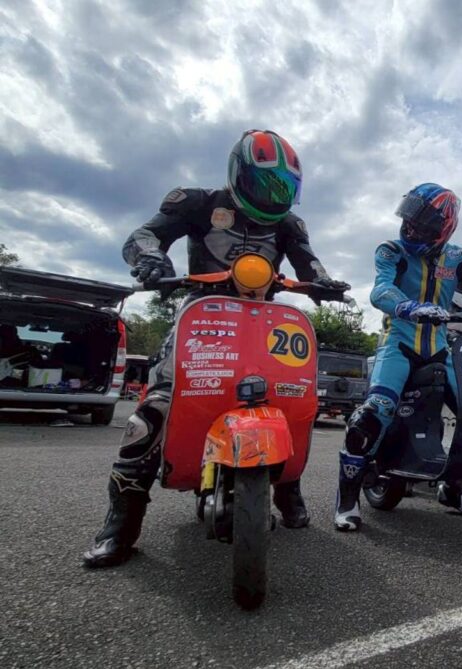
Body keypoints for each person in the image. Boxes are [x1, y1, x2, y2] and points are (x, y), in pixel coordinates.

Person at [83, 129, 350, 568]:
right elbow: (143, 235)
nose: (274, 196)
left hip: (265, 322)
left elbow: (309, 261)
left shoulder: (288, 224)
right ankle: (121, 524)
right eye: (266, 184)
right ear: (238, 174)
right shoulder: (196, 202)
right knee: (156, 407)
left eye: (283, 189)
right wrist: (150, 258)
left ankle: (287, 489)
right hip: (204, 318)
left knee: (293, 398)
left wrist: (322, 282)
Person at [334, 183, 462, 531]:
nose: (410, 229)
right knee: (374, 412)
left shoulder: (460, 258)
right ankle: (347, 500)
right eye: (409, 220)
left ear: (443, 229)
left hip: (441, 350)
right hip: (397, 345)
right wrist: (409, 307)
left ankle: (452, 488)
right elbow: (380, 289)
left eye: (420, 225)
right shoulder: (390, 250)